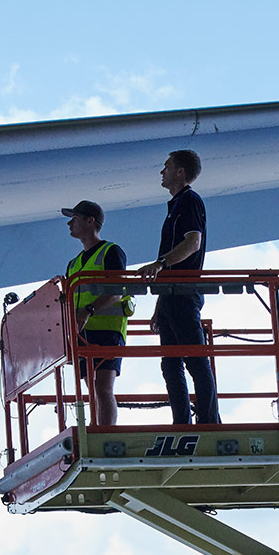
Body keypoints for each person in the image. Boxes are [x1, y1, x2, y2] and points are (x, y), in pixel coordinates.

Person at [139, 150, 220, 424]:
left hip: (183, 292)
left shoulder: (189, 202)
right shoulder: (176, 205)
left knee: (194, 359)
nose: (162, 171)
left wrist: (160, 263)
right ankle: (182, 420)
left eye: (167, 166)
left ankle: (209, 420)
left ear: (180, 172)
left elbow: (192, 242)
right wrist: (159, 306)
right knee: (171, 363)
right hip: (171, 295)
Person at [62, 200, 128, 427]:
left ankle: (106, 434)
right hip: (84, 333)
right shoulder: (73, 264)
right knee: (92, 387)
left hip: (107, 330)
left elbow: (117, 290)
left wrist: (88, 311)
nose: (70, 223)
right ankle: (97, 429)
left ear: (90, 221)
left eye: (75, 218)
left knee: (102, 387)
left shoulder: (111, 252)